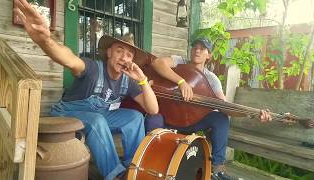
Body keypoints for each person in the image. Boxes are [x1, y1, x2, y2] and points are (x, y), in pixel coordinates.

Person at [14, 1, 159, 180]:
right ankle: (115, 175)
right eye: (119, 51)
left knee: (135, 117)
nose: (124, 58)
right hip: (67, 113)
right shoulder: (92, 69)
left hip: (99, 117)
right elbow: (69, 59)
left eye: (129, 55)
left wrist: (143, 80)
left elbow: (153, 110)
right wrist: (45, 40)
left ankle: (133, 168)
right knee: (97, 120)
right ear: (109, 53)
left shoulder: (128, 81)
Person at [150, 37, 271, 179]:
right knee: (152, 119)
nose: (197, 50)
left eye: (202, 48)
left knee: (220, 118)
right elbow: (157, 63)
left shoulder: (212, 79)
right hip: (168, 116)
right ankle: (151, 164)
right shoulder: (179, 61)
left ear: (209, 55)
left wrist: (252, 114)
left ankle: (217, 169)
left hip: (192, 121)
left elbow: (223, 106)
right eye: (195, 47)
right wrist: (181, 82)